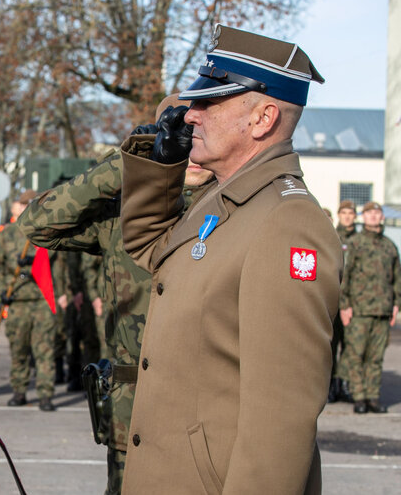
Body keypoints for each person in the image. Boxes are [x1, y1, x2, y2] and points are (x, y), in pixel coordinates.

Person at [117, 26, 339, 493]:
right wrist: (162, 165)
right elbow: (148, 248)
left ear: (263, 119)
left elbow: (281, 418)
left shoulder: (287, 222)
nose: (189, 115)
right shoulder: (224, 201)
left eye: (208, 103)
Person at [17, 94, 215, 494]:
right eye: (176, 137)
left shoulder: (233, 209)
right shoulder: (121, 214)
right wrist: (126, 164)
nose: (189, 149)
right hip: (131, 412)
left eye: (197, 135)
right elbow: (37, 225)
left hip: (207, 410)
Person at [0, 189, 64, 411]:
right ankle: (19, 391)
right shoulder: (7, 234)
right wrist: (3, 288)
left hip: (41, 299)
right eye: (22, 205)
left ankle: (45, 394)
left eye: (28, 205)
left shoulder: (44, 233)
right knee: (19, 349)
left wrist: (62, 294)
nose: (24, 209)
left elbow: (57, 263)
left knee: (44, 351)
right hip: (17, 300)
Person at [339, 201, 398, 414]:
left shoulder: (390, 246)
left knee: (376, 357)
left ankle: (373, 397)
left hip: (382, 310)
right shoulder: (354, 243)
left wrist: (396, 304)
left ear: (382, 217)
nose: (373, 216)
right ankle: (359, 397)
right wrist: (344, 306)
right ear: (363, 217)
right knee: (356, 355)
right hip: (359, 311)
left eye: (377, 212)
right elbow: (344, 276)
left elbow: (397, 278)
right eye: (369, 213)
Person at [330, 199, 357, 402]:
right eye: (344, 213)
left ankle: (344, 384)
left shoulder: (361, 239)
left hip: (355, 303)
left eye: (351, 213)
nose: (347, 217)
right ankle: (330, 385)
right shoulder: (331, 235)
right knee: (330, 345)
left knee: (350, 347)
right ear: (339, 215)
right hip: (333, 299)